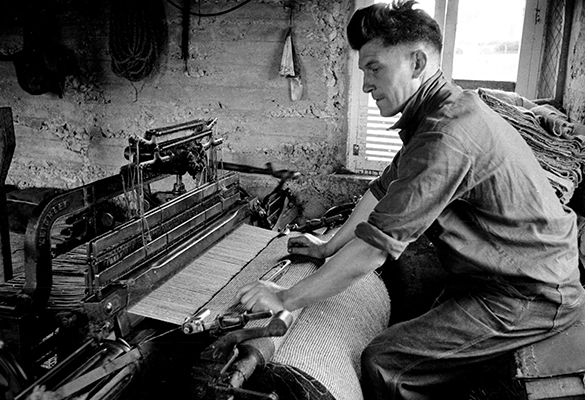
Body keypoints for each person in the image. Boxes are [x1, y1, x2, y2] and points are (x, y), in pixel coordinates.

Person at [236, 1, 585, 399]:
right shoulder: (439, 115)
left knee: (386, 362)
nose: (366, 84)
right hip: (502, 278)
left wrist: (284, 297)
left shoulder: (448, 135)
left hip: (529, 294)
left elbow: (373, 251)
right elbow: (380, 192)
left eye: (375, 68)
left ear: (417, 63)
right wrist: (328, 246)